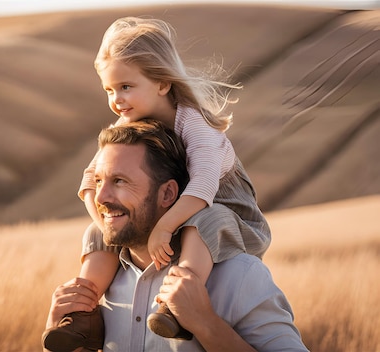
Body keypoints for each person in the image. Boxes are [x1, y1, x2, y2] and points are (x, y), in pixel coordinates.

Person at [42, 16, 271, 350]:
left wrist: (164, 227)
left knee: (203, 220)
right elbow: (89, 185)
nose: (117, 99)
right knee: (97, 232)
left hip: (225, 213)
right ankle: (82, 317)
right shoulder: (127, 125)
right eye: (109, 89)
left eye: (126, 86)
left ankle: (176, 305)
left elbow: (205, 186)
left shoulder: (196, 124)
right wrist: (108, 225)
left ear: (163, 83)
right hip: (174, 211)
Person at [44, 119, 308, 351]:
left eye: (120, 181)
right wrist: (58, 329)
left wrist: (205, 323)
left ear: (168, 194)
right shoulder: (100, 282)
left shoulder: (239, 276)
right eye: (99, 181)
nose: (101, 197)